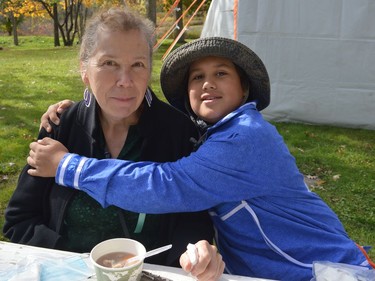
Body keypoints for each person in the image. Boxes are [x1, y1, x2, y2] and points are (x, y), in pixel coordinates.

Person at [27, 37, 373, 280]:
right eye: (197, 77)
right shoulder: (213, 133)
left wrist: (67, 166)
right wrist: (81, 108)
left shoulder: (245, 137)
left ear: (244, 89)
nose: (208, 84)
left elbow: (166, 186)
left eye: (221, 73)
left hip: (321, 271)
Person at [3, 8, 224, 280]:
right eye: (110, 63)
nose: (125, 81)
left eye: (137, 65)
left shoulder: (178, 131)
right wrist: (71, 264)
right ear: (85, 70)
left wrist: (193, 251)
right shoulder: (61, 126)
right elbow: (19, 220)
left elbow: (193, 216)